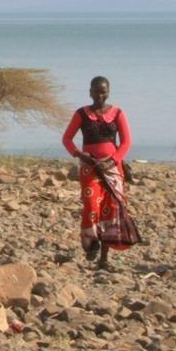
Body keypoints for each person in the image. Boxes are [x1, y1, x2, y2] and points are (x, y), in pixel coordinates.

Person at [61, 76, 141, 268]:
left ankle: (104, 259)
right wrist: (80, 155)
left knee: (111, 211)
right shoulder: (81, 114)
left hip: (112, 169)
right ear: (90, 92)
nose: (100, 95)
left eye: (103, 91)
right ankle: (91, 243)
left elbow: (126, 142)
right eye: (96, 91)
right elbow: (67, 139)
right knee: (91, 204)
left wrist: (112, 160)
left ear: (108, 92)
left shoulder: (118, 113)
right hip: (90, 168)